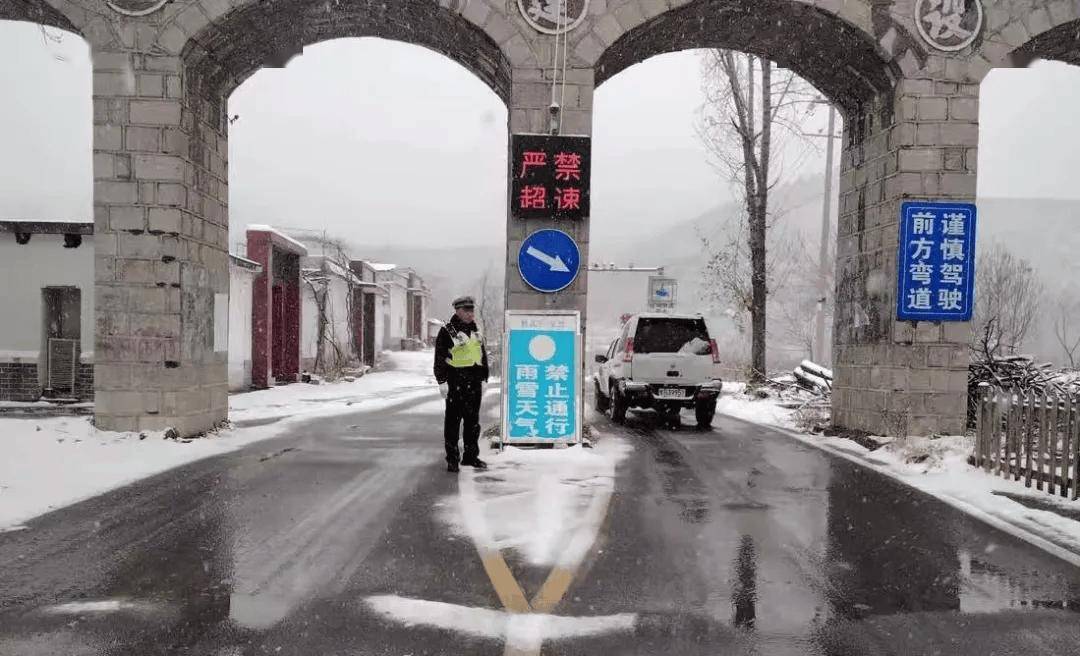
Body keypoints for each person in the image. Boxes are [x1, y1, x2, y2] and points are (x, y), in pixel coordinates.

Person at [434, 296, 490, 472]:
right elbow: (440, 357)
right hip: (455, 380)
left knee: (472, 422)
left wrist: (484, 378)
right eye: (466, 311)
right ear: (457, 311)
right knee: (453, 422)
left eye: (472, 310)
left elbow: (482, 356)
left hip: (474, 382)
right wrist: (442, 380)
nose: (470, 314)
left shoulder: (476, 330)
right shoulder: (447, 330)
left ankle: (471, 456)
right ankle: (452, 459)